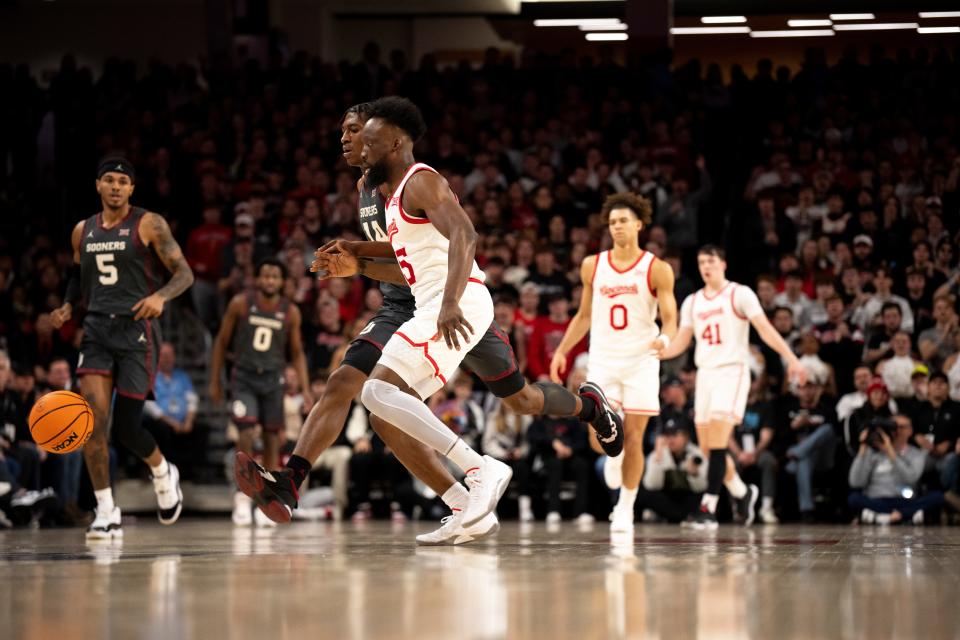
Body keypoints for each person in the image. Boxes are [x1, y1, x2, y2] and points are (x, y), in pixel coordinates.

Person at [237, 99, 622, 543]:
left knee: (513, 399)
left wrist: (445, 299)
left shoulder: (416, 181)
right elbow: (408, 255)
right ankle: (457, 502)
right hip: (420, 302)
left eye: (359, 133)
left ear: (386, 138)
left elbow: (460, 237)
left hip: (446, 301)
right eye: (345, 133)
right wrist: (356, 257)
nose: (350, 142)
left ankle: (505, 458)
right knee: (379, 407)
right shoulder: (374, 187)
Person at [50, 157, 194, 539]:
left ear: (132, 189)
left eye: (123, 182)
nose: (116, 186)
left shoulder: (149, 224)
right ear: (97, 185)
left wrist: (161, 297)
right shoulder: (83, 231)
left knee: (128, 429)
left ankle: (164, 473)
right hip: (96, 329)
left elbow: (184, 273)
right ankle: (106, 510)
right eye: (109, 180)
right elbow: (77, 277)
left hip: (137, 333)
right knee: (93, 422)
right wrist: (67, 304)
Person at [549, 191, 678, 534]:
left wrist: (665, 339)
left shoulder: (657, 269)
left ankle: (626, 506)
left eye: (623, 221)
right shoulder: (593, 264)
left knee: (634, 438)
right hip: (603, 361)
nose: (616, 227)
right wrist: (562, 349)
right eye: (612, 222)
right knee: (598, 435)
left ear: (638, 224)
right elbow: (584, 314)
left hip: (641, 361)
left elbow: (671, 319)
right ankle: (613, 456)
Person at [659, 244, 807, 530]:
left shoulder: (740, 293)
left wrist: (791, 359)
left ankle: (709, 508)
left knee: (716, 442)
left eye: (711, 260)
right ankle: (742, 492)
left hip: (732, 373)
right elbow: (681, 341)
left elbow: (764, 329)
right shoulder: (692, 301)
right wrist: (658, 351)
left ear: (723, 263)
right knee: (708, 446)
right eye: (702, 262)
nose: (706, 266)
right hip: (705, 375)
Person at [209, 258, 312, 527]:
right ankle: (241, 497)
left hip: (272, 379)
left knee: (271, 437)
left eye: (274, 277)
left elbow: (297, 352)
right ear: (256, 279)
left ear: (282, 282)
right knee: (244, 432)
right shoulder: (241, 303)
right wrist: (214, 381)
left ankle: (266, 496)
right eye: (265, 276)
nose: (269, 281)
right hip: (244, 377)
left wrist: (305, 387)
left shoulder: (291, 311)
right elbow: (221, 342)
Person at [848, 414, 943, 524]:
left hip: (904, 500)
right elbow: (855, 482)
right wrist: (863, 447)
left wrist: (889, 450)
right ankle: (907, 516)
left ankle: (879, 517)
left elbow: (910, 478)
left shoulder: (917, 454)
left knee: (937, 497)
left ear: (910, 431)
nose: (897, 431)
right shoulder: (873, 452)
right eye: (893, 427)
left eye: (901, 427)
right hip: (876, 499)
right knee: (853, 498)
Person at [639, 421, 708, 523]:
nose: (670, 439)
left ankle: (676, 516)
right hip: (668, 497)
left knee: (703, 496)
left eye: (675, 434)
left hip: (688, 497)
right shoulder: (658, 454)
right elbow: (651, 485)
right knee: (644, 494)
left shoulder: (697, 454)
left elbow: (703, 487)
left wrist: (695, 474)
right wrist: (658, 459)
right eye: (667, 435)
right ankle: (683, 517)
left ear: (686, 437)